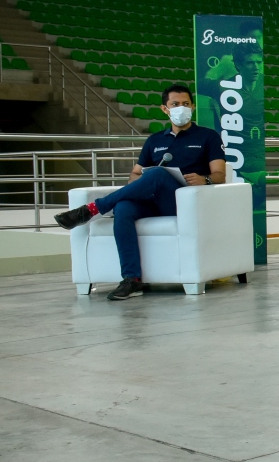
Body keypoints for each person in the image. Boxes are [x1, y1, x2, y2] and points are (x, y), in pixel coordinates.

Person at [54, 84, 227, 300]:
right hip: (152, 200)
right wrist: (142, 180)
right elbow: (134, 175)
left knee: (157, 175)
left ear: (192, 107)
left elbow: (220, 174)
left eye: (185, 104)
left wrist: (205, 179)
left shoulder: (208, 136)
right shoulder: (154, 140)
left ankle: (92, 209)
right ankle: (132, 279)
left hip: (184, 202)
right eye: (175, 104)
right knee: (124, 207)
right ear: (165, 109)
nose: (180, 108)